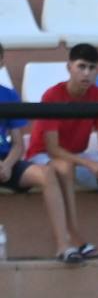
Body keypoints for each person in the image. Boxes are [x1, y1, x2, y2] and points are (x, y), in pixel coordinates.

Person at [26, 43, 98, 260]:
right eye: (81, 67)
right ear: (69, 67)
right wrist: (90, 164)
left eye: (91, 68)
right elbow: (52, 149)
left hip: (77, 157)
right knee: (65, 167)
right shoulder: (52, 95)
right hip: (43, 156)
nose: (86, 73)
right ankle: (75, 240)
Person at [0, 41, 76, 261]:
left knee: (46, 173)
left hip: (6, 162)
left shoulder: (9, 96)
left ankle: (64, 246)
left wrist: (7, 164)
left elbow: (17, 143)